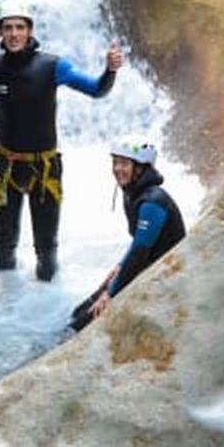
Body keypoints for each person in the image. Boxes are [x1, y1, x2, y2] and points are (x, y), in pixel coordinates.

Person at [0, 0, 122, 281]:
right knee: (4, 246)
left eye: (20, 27)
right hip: (6, 166)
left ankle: (44, 308)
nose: (13, 34)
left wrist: (110, 70)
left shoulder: (52, 66)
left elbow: (97, 90)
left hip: (44, 168)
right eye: (7, 27)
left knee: (46, 249)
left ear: (30, 31)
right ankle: (4, 311)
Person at [68, 136, 186, 331]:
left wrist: (111, 294)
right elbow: (139, 244)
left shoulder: (152, 202)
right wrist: (119, 267)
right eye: (115, 163)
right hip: (146, 265)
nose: (117, 169)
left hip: (164, 275)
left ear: (140, 168)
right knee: (78, 312)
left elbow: (140, 252)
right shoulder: (133, 192)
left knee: (85, 322)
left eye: (123, 164)